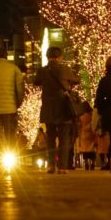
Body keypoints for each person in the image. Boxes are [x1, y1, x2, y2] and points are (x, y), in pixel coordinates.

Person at [38, 46, 79, 174]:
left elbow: (36, 82)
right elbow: (77, 80)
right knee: (64, 138)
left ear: (47, 57)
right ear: (60, 57)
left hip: (48, 108)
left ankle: (51, 165)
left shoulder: (42, 71)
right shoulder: (65, 69)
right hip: (63, 108)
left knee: (50, 137)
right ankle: (62, 166)